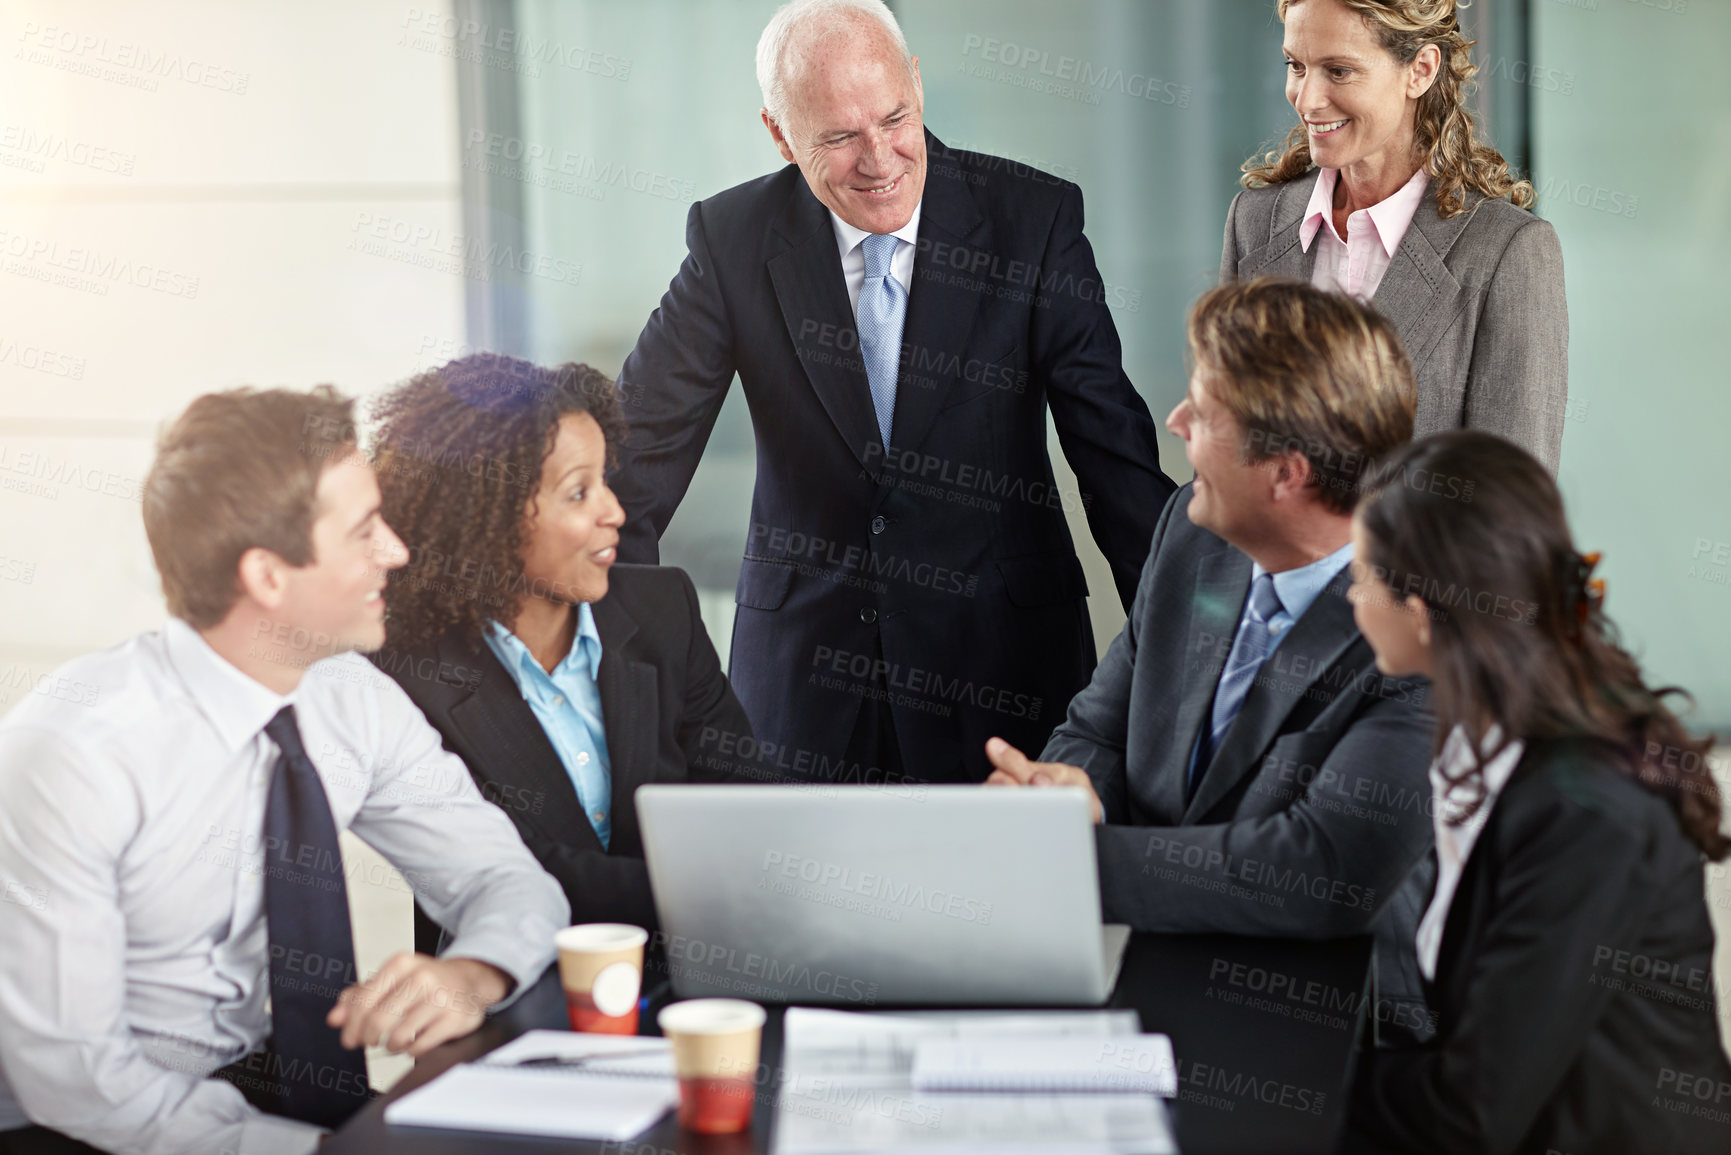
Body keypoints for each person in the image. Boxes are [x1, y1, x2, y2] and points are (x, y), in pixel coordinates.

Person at [614, 0, 1175, 784]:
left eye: (894, 118)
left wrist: (1188, 670)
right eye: (840, 137)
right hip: (803, 694)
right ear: (779, 133)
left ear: (915, 83)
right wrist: (622, 681)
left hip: (1004, 680)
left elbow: (1116, 464)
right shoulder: (730, 238)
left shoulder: (1030, 222)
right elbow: (627, 471)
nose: (879, 160)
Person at [0, 388, 569, 1155]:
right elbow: (78, 1080)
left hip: (262, 1085)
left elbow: (507, 878)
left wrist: (473, 972)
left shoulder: (350, 696)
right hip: (74, 1127)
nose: (395, 553)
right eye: (364, 532)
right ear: (268, 576)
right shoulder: (74, 756)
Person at [986, 278, 1438, 1042]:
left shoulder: (1422, 622)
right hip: (1155, 977)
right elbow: (1099, 726)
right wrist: (1064, 795)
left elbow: (1318, 870)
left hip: (1336, 1031)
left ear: (1286, 472)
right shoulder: (1192, 535)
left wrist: (1066, 860)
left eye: (1203, 411)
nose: (1175, 421)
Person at [1341, 430, 1731, 1154]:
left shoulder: (1586, 811)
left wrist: (1305, 1081)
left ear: (1421, 610)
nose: (1349, 594)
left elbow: (1473, 1110)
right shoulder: (1486, 743)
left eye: (1361, 574)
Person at [368, 354, 762, 946]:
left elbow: (742, 803)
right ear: (487, 516)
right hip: (512, 996)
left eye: (605, 480)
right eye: (579, 493)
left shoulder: (662, 610)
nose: (615, 512)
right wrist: (721, 892)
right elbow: (519, 869)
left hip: (693, 981)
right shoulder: (406, 671)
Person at [1221, 0, 1568, 473]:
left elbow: (1510, 514)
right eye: (1296, 66)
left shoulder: (1507, 252)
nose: (1306, 99)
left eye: (1339, 71)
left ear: (1420, 70)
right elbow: (1224, 454)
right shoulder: (1254, 222)